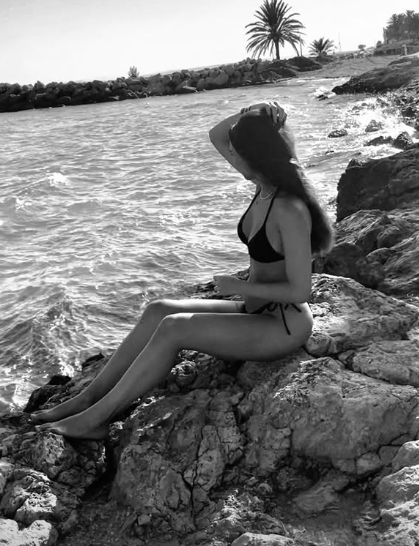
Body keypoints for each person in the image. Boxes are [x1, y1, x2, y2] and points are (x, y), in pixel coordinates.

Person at [33, 101, 333, 439]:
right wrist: (255, 111)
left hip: (283, 326)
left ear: (254, 155)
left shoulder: (289, 209)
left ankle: (96, 420)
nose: (231, 154)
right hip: (256, 312)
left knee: (174, 328)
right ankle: (87, 398)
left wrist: (241, 286)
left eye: (237, 151)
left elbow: (300, 291)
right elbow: (217, 134)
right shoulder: (263, 186)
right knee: (158, 309)